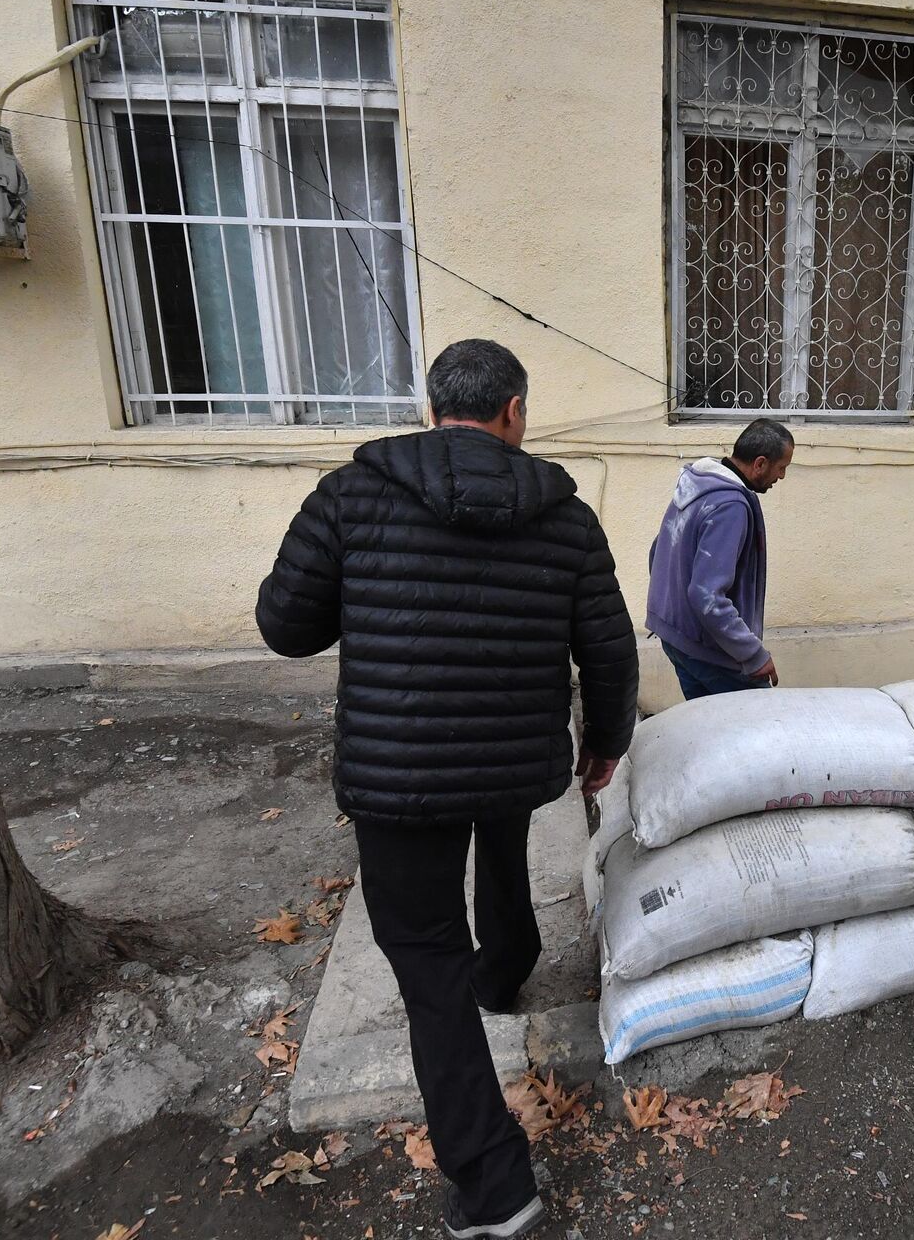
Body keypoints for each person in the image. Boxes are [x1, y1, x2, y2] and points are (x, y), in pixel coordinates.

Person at [255, 338, 637, 1239]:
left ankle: (496, 1185)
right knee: (501, 854)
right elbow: (610, 648)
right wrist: (605, 744)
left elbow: (284, 626)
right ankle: (502, 977)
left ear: (434, 409)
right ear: (513, 412)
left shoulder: (351, 495)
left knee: (426, 960)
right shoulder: (566, 515)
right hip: (509, 757)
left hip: (400, 774)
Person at [645, 419, 794, 700]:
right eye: (781, 467)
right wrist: (753, 654)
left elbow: (658, 552)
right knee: (758, 725)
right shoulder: (730, 505)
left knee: (708, 728)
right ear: (760, 463)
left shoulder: (697, 486)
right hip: (711, 653)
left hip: (676, 639)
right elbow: (707, 596)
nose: (782, 476)